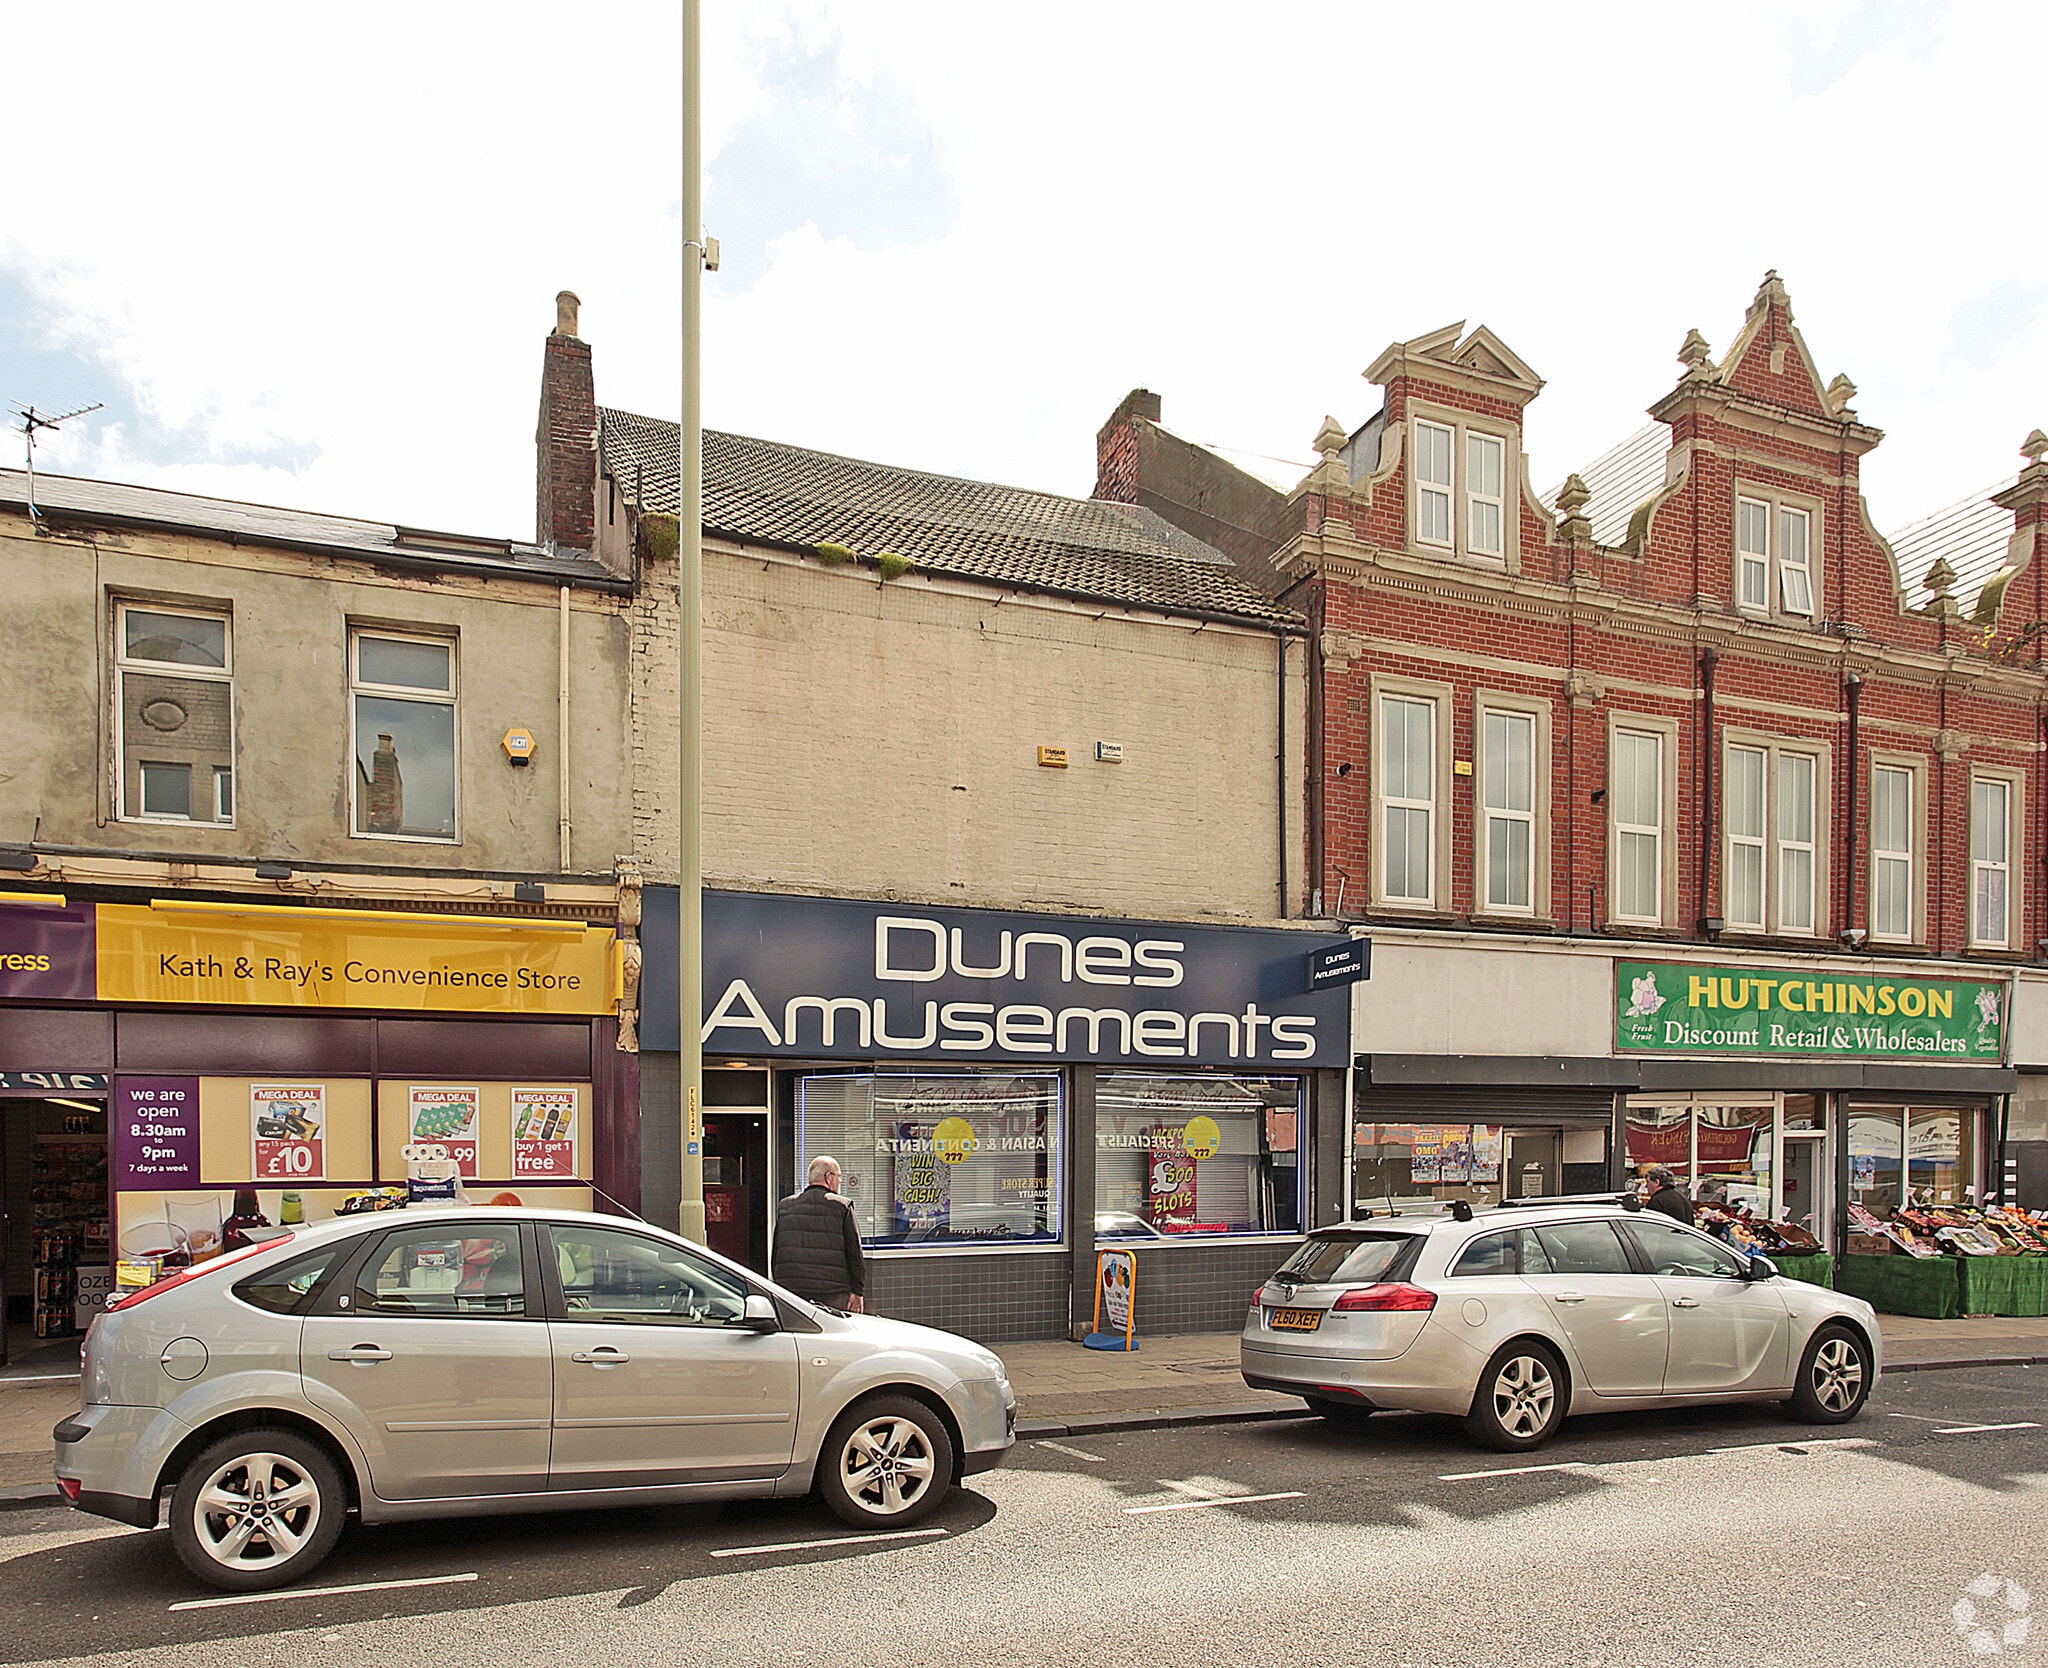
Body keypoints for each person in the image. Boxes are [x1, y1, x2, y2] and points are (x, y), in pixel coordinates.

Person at [773, 1155, 867, 1312]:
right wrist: (857, 1292)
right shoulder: (842, 1207)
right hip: (832, 1293)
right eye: (839, 1176)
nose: (841, 1181)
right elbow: (855, 1253)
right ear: (828, 1178)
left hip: (791, 1292)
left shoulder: (785, 1206)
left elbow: (777, 1252)